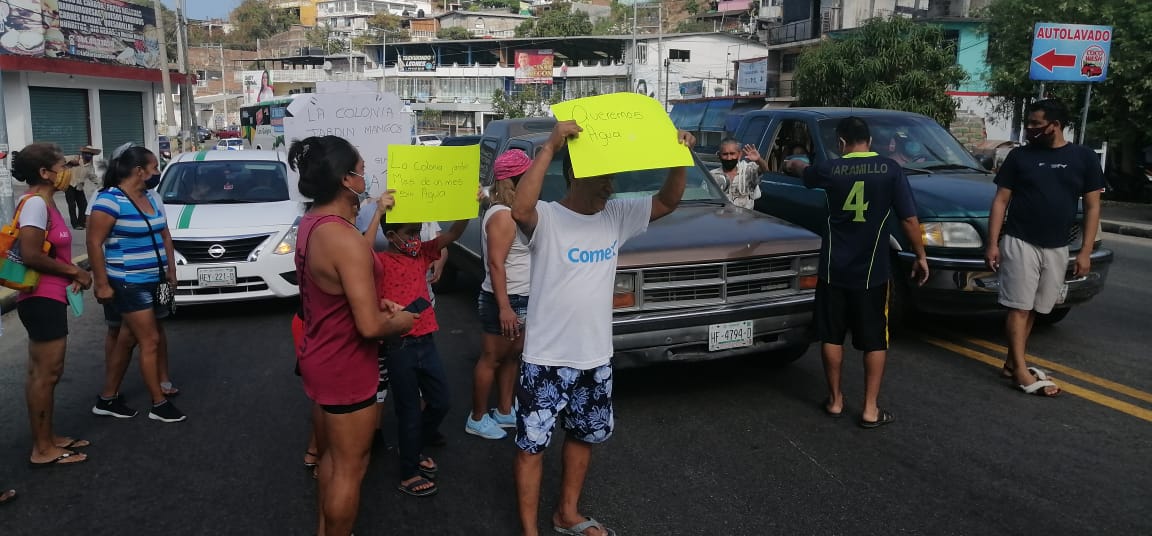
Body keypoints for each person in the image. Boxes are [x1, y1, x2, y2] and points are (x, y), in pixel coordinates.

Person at [510, 121, 694, 536]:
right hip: (545, 358)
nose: (610, 187)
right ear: (575, 176)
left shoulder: (616, 216)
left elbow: (667, 201)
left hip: (595, 357)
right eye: (602, 178)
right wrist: (551, 145)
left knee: (584, 437)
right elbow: (521, 209)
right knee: (530, 447)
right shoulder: (549, 219)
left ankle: (567, 514)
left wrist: (679, 156)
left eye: (612, 178)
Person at [288, 135, 414, 536]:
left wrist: (373, 302)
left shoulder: (314, 223)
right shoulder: (343, 239)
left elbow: (340, 287)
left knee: (331, 457)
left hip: (320, 355)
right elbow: (370, 328)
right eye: (361, 170)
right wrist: (403, 321)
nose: (367, 176)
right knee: (350, 467)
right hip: (346, 366)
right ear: (346, 180)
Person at [785, 116, 928, 428]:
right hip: (872, 273)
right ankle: (870, 408)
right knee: (875, 339)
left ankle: (835, 400)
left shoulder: (830, 169)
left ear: (840, 143)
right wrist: (920, 255)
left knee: (832, 335)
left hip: (833, 270)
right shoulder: (890, 169)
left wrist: (793, 163)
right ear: (870, 141)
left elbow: (802, 171)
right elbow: (908, 219)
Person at [985, 99, 1104, 397]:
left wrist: (1086, 251)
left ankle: (1013, 362)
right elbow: (1000, 200)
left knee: (1038, 306)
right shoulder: (1020, 157)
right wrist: (992, 243)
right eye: (1029, 123)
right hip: (1020, 240)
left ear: (1055, 125)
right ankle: (1021, 372)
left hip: (1058, 245)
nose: (1030, 129)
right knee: (1019, 306)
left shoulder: (1084, 158)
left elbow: (1092, 207)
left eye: (1036, 124)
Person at [373, 203, 472, 497]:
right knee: (408, 410)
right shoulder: (378, 262)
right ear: (391, 236)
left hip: (426, 340)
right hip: (398, 345)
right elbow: (361, 253)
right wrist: (377, 213)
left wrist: (467, 205)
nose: (417, 237)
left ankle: (413, 445)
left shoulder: (424, 253)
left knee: (440, 401)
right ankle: (408, 472)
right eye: (410, 232)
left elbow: (454, 232)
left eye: (418, 231)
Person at [86, 145, 184, 423]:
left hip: (157, 279)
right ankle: (158, 403)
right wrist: (101, 283)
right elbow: (94, 242)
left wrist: (171, 270)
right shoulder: (109, 200)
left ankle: (107, 397)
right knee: (149, 340)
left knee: (130, 339)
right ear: (139, 171)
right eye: (153, 168)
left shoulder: (151, 198)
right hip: (130, 282)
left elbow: (164, 234)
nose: (157, 173)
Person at [11, 142, 93, 466]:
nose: (66, 173)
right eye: (61, 167)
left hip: (48, 295)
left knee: (43, 373)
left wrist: (69, 272)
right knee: (46, 373)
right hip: (41, 297)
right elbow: (31, 254)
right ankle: (43, 450)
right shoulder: (35, 205)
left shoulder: (45, 202)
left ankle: (48, 438)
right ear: (44, 173)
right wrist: (75, 271)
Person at [466, 149, 533, 440]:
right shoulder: (503, 216)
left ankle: (505, 411)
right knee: (492, 358)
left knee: (511, 357)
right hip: (505, 299)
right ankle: (477, 417)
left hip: (519, 296)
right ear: (518, 179)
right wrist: (504, 307)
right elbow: (495, 263)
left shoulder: (508, 210)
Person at [711, 138, 770, 209]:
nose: (729, 158)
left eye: (732, 154)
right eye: (725, 154)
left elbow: (764, 169)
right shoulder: (712, 176)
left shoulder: (748, 170)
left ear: (739, 155)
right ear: (719, 155)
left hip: (745, 218)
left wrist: (759, 160)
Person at [64, 146, 99, 229]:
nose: (89, 156)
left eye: (91, 154)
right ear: (83, 154)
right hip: (69, 185)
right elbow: (61, 160)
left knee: (83, 205)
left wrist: (103, 185)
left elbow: (93, 177)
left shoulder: (90, 166)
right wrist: (69, 162)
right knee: (72, 206)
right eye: (87, 154)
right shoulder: (75, 158)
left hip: (79, 187)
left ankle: (82, 223)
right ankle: (75, 224)